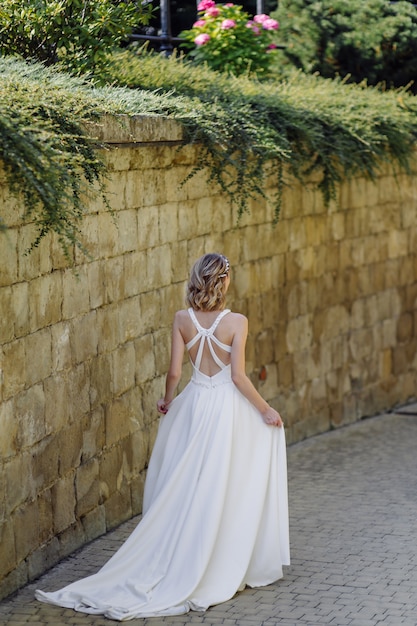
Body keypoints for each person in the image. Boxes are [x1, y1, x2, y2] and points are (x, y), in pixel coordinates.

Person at [35, 252, 290, 620]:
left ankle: (176, 553)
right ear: (224, 282)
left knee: (186, 483)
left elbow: (174, 373)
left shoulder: (181, 320)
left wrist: (167, 401)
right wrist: (264, 408)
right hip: (224, 411)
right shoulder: (237, 322)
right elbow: (237, 377)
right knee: (221, 481)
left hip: (193, 404)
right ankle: (215, 556)